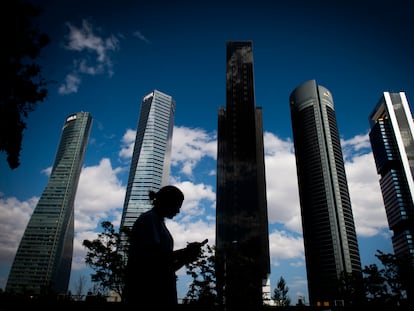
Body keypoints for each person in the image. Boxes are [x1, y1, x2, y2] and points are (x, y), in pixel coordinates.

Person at [123, 185, 206, 309]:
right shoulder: (150, 220)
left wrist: (185, 256)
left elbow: (164, 266)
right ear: (167, 202)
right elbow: (154, 260)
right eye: (177, 206)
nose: (178, 211)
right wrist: (186, 252)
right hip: (149, 295)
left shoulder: (156, 221)